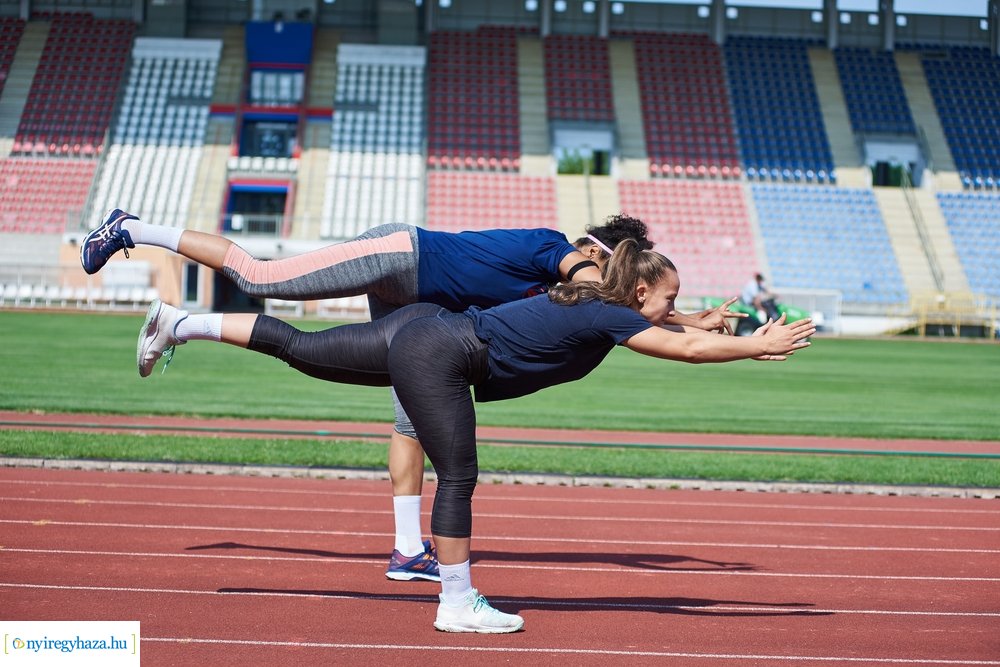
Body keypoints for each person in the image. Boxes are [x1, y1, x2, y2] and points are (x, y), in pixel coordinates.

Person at [132, 239, 815, 633]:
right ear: (638, 295)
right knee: (458, 471)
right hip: (440, 354)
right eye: (669, 296)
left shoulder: (601, 303)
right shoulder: (613, 316)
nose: (674, 306)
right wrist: (758, 344)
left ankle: (181, 322)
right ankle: (456, 601)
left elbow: (671, 329)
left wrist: (699, 319)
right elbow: (686, 351)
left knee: (306, 348)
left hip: (424, 334)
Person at [81, 209, 742, 582]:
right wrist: (685, 321)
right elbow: (605, 299)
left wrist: (688, 319)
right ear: (599, 253)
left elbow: (610, 308)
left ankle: (405, 549)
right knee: (261, 275)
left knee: (413, 409)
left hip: (425, 304)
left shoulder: (576, 286)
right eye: (616, 265)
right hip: (401, 254)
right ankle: (134, 229)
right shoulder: (560, 253)